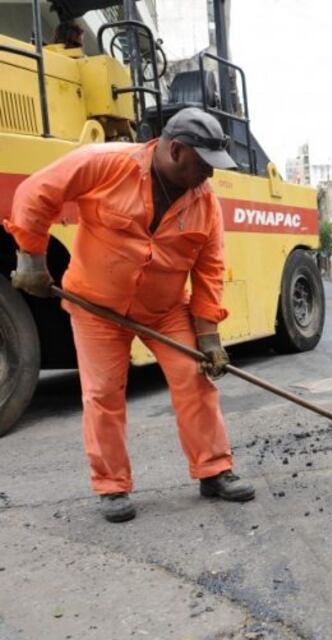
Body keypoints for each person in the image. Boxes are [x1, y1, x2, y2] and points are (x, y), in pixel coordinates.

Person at [6, 107, 254, 523]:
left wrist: (209, 338)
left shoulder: (205, 202)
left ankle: (214, 471)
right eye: (204, 165)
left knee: (196, 381)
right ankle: (112, 487)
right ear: (176, 150)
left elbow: (210, 268)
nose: (210, 176)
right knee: (103, 394)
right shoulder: (105, 163)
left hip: (163, 309)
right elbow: (36, 192)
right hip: (97, 308)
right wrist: (31, 258)